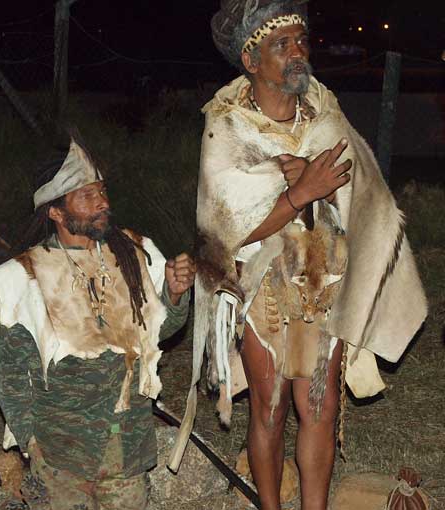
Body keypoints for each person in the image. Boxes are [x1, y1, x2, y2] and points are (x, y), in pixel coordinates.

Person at [168, 2, 427, 509]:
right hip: (261, 284)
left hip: (320, 276)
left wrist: (317, 184)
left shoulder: (324, 113)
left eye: (300, 41)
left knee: (321, 406)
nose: (296, 53)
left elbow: (361, 194)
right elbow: (225, 233)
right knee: (268, 408)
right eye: (280, 45)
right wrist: (299, 192)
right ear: (251, 60)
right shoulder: (227, 127)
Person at [0, 137, 196, 510]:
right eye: (86, 196)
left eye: (101, 191)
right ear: (56, 212)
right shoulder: (28, 275)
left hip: (125, 441)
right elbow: (12, 371)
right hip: (62, 447)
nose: (103, 203)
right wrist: (30, 439)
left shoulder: (133, 253)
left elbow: (159, 332)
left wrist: (174, 296)